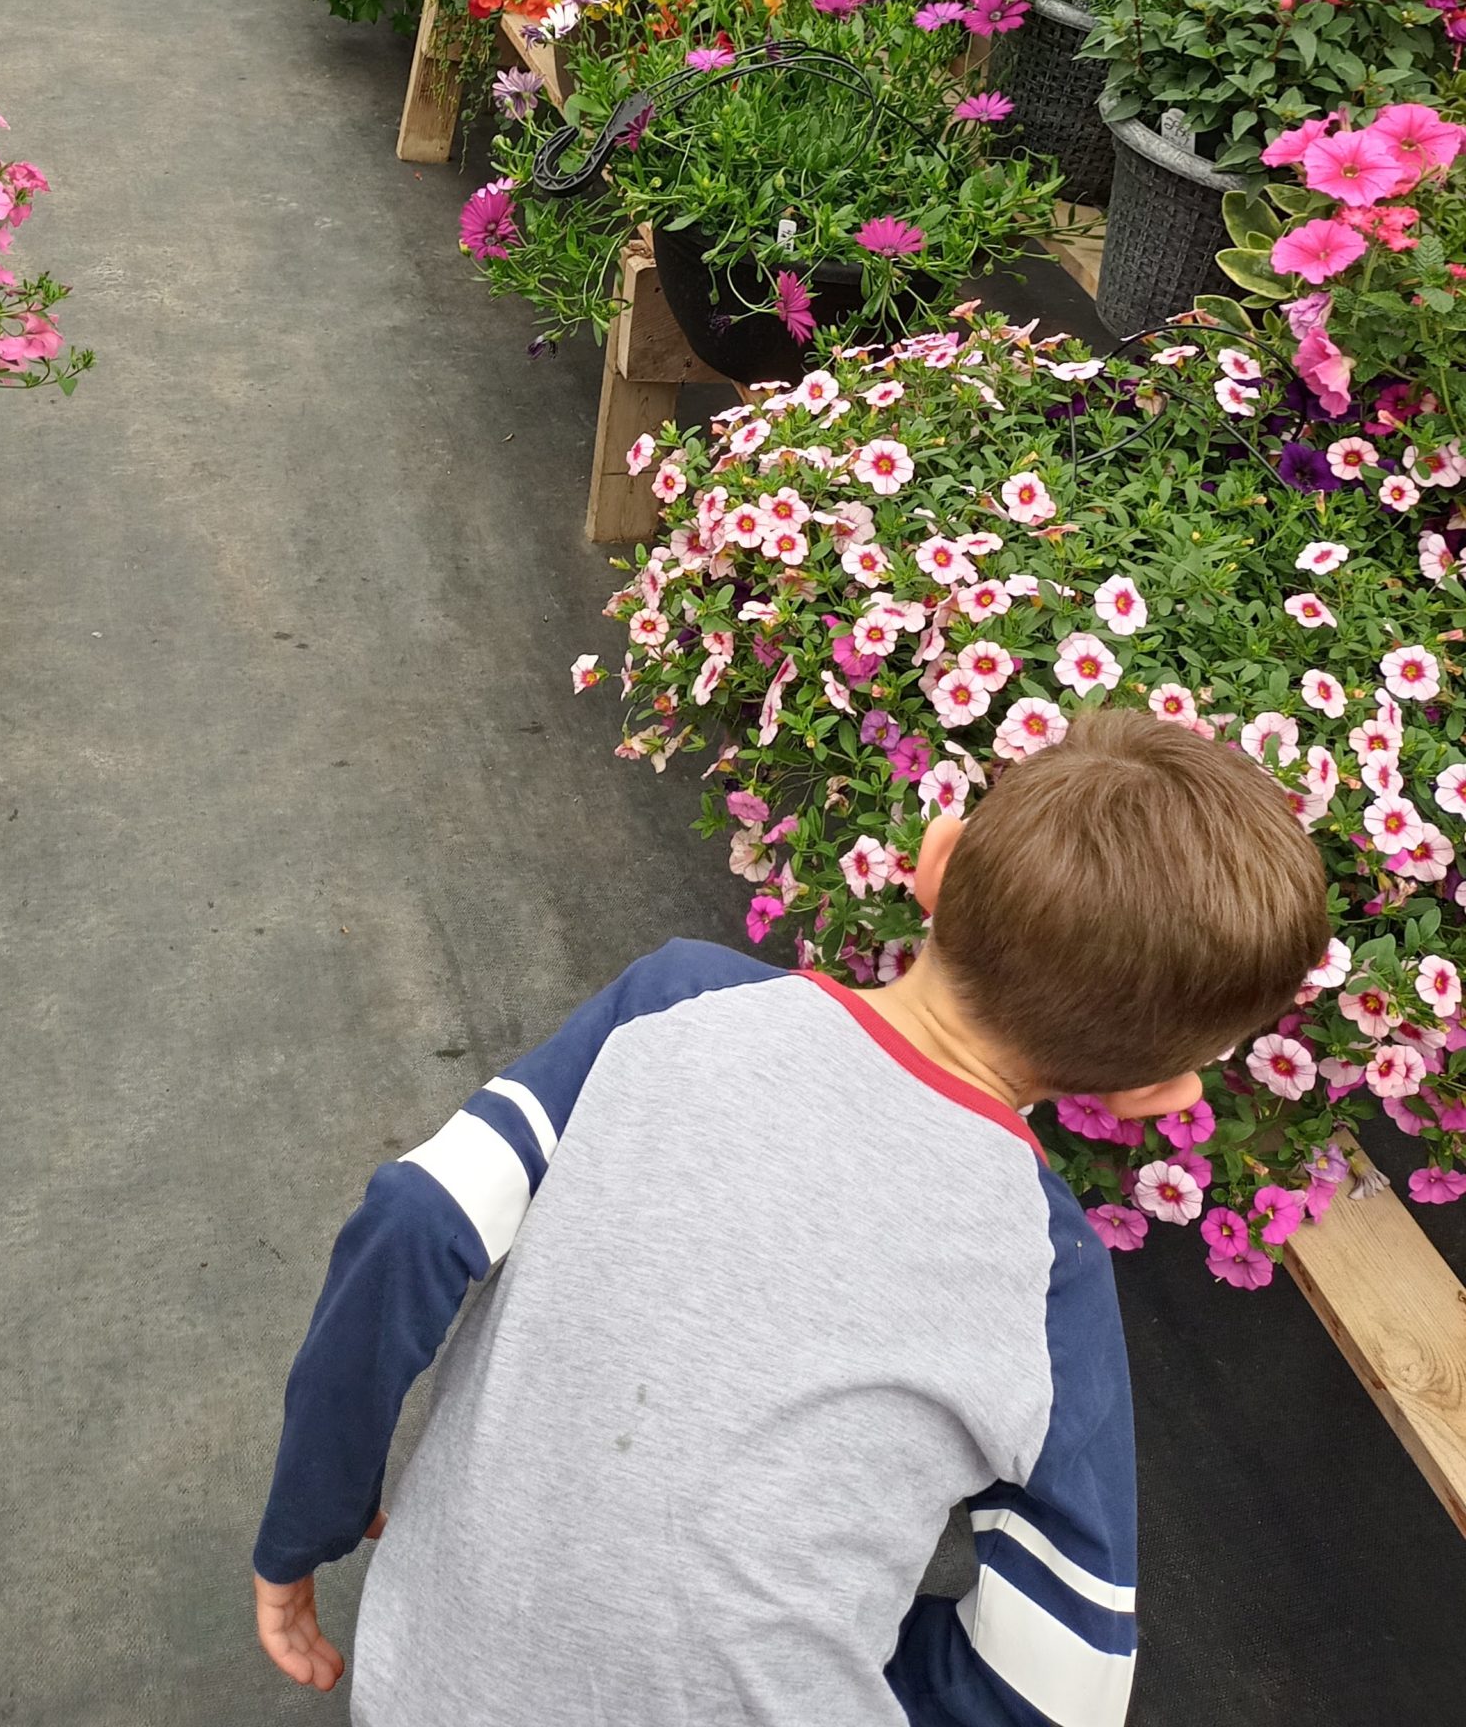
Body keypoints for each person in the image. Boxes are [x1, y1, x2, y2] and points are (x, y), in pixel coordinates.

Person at [253, 708, 1330, 1724]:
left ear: (936, 862)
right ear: (1160, 1092)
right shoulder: (1050, 1278)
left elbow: (414, 1221)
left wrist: (313, 1515)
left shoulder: (676, 1002)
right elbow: (1056, 1687)